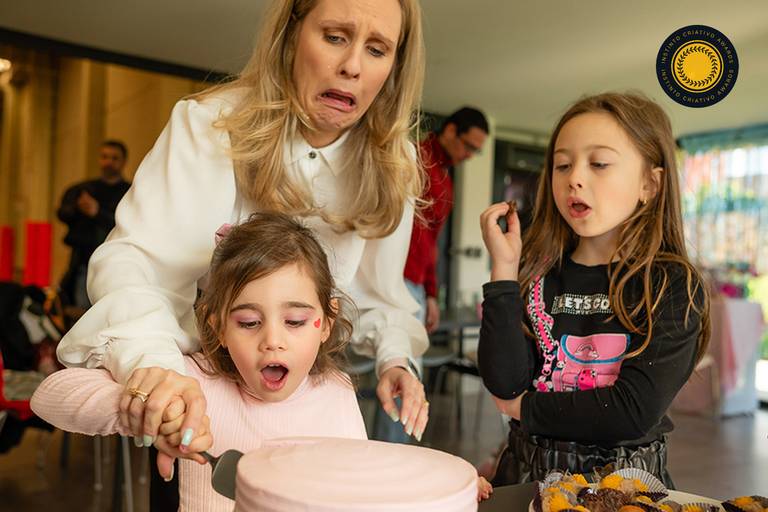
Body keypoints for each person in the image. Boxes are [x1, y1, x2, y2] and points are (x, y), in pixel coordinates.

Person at [55, 0, 431, 479]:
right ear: (293, 34)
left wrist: (393, 359)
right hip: (200, 407)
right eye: (335, 36)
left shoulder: (392, 163)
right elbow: (138, 266)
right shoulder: (210, 126)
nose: (352, 66)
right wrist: (157, 370)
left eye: (377, 49)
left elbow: (378, 295)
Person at [34, 213, 491, 509]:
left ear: (326, 322)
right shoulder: (193, 385)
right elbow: (49, 396)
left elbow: (361, 489)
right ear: (216, 325)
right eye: (249, 323)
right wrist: (142, 406)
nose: (273, 342)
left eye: (295, 321)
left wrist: (441, 492)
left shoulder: (335, 392)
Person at [477, 92, 710, 486]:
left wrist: (525, 408)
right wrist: (503, 270)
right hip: (524, 479)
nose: (575, 178)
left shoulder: (672, 285)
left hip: (626, 489)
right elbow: (504, 384)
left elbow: (629, 411)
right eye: (562, 165)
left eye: (599, 163)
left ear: (649, 185)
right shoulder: (537, 273)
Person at [404, 107, 488, 332]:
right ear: (451, 130)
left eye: (476, 151)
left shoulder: (445, 181)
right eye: (469, 146)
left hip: (415, 285)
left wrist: (431, 293)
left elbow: (431, 242)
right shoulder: (410, 158)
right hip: (392, 281)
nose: (470, 155)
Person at [56, 140, 130, 309]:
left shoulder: (130, 191)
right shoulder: (83, 189)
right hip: (85, 263)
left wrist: (97, 212)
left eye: (114, 158)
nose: (108, 162)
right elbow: (63, 214)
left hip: (118, 264)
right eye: (104, 157)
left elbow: (127, 224)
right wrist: (78, 207)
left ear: (123, 161)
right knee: (83, 312)